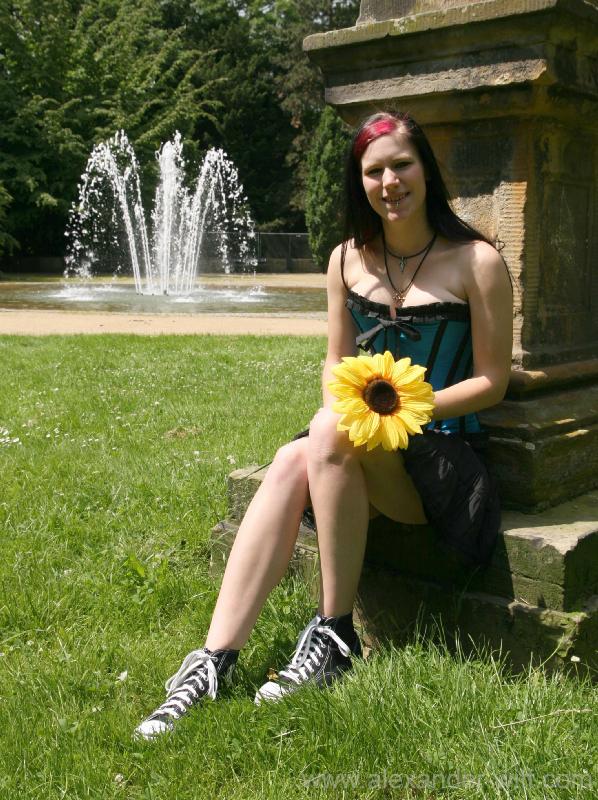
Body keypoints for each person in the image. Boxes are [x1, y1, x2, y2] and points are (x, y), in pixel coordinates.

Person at [135, 111, 513, 739]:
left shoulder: (477, 261)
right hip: (363, 450)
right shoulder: (345, 260)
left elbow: (492, 381)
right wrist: (345, 417)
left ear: (426, 169)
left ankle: (334, 634)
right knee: (297, 454)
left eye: (402, 165)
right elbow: (336, 361)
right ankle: (214, 659)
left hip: (444, 466)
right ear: (358, 182)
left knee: (327, 432)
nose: (390, 182)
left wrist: (405, 409)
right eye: (374, 171)